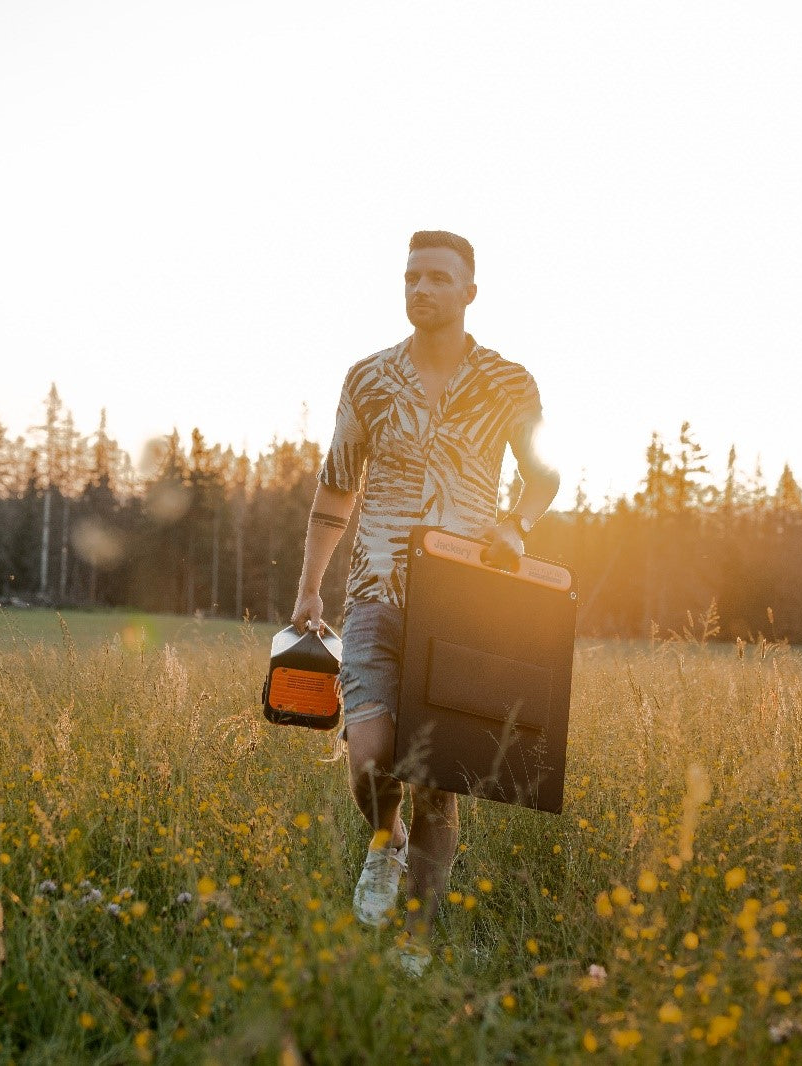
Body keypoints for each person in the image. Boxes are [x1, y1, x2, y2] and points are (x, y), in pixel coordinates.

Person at [290, 230, 560, 975]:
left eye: (439, 278)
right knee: (370, 758)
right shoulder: (368, 379)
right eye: (411, 276)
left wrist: (515, 524)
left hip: (467, 607)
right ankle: (385, 842)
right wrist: (309, 586)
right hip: (376, 591)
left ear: (469, 292)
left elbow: (542, 478)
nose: (421, 289)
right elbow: (337, 485)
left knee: (439, 784)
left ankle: (412, 941)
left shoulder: (509, 382)